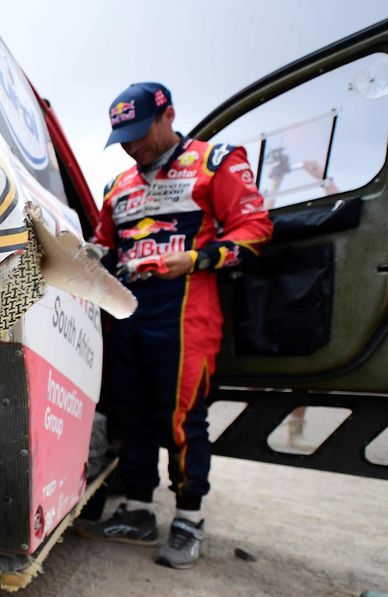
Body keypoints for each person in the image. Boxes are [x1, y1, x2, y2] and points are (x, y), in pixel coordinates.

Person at [79, 82, 272, 568]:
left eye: (140, 132)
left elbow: (255, 229)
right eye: (123, 136)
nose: (131, 144)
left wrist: (197, 258)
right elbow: (102, 243)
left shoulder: (216, 161)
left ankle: (188, 519)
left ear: (168, 117)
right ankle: (139, 511)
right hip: (126, 310)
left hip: (186, 308)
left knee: (182, 417)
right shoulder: (117, 186)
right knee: (131, 413)